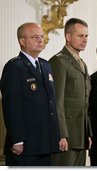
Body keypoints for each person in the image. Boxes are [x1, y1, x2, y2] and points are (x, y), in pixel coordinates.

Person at [0, 22, 60, 166]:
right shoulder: (14, 67)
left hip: (45, 142)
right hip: (26, 144)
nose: (41, 40)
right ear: (22, 41)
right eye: (35, 37)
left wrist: (56, 136)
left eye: (42, 36)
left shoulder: (46, 66)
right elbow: (11, 106)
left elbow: (51, 104)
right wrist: (17, 139)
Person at [49, 18, 92, 166]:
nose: (85, 40)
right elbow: (57, 102)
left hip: (81, 136)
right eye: (80, 36)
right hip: (66, 136)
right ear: (68, 37)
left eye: (86, 36)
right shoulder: (59, 62)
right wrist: (61, 134)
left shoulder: (82, 64)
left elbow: (85, 103)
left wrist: (88, 132)